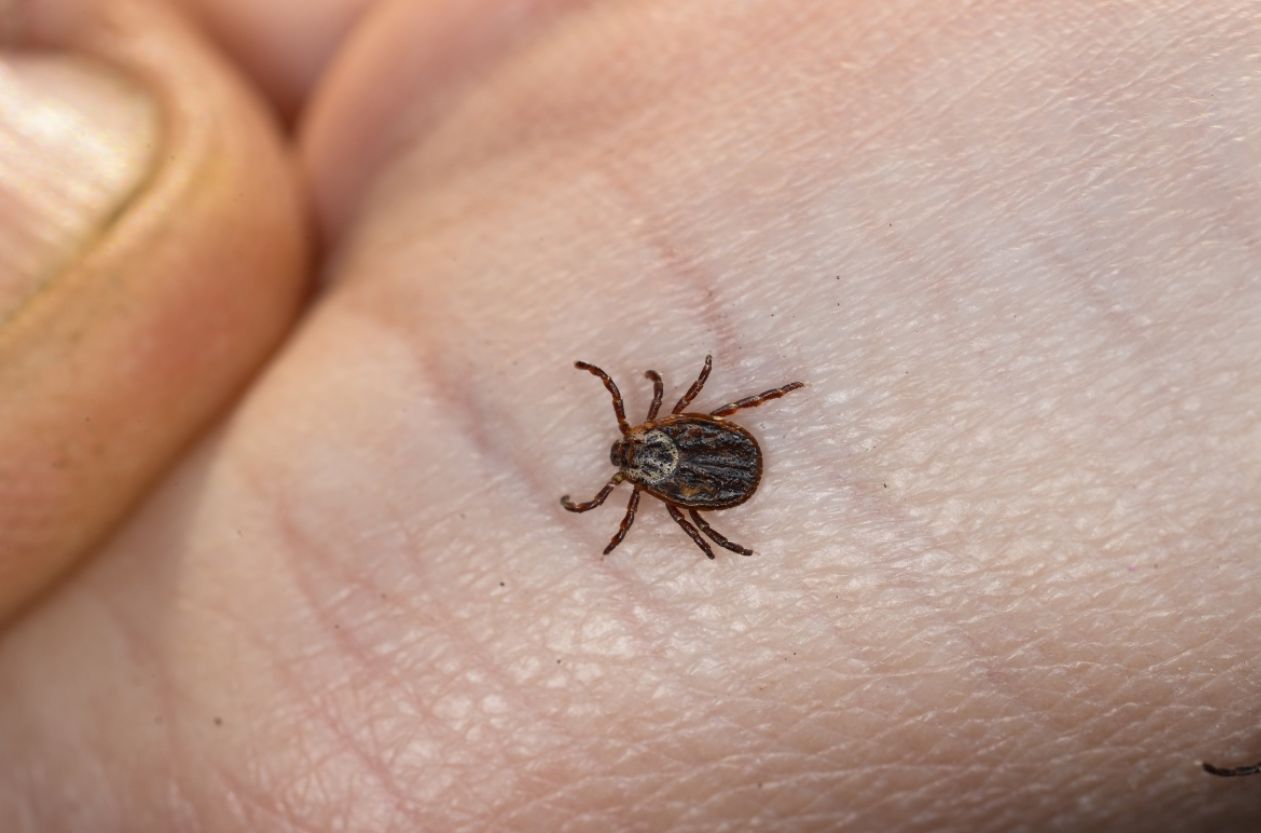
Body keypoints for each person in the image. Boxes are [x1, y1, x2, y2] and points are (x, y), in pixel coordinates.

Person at [2, 0, 1259, 829]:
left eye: (634, 447)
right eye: (637, 451)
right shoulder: (670, 459)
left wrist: (640, 502)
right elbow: (674, 447)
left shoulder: (651, 477)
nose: (632, 447)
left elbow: (640, 480)